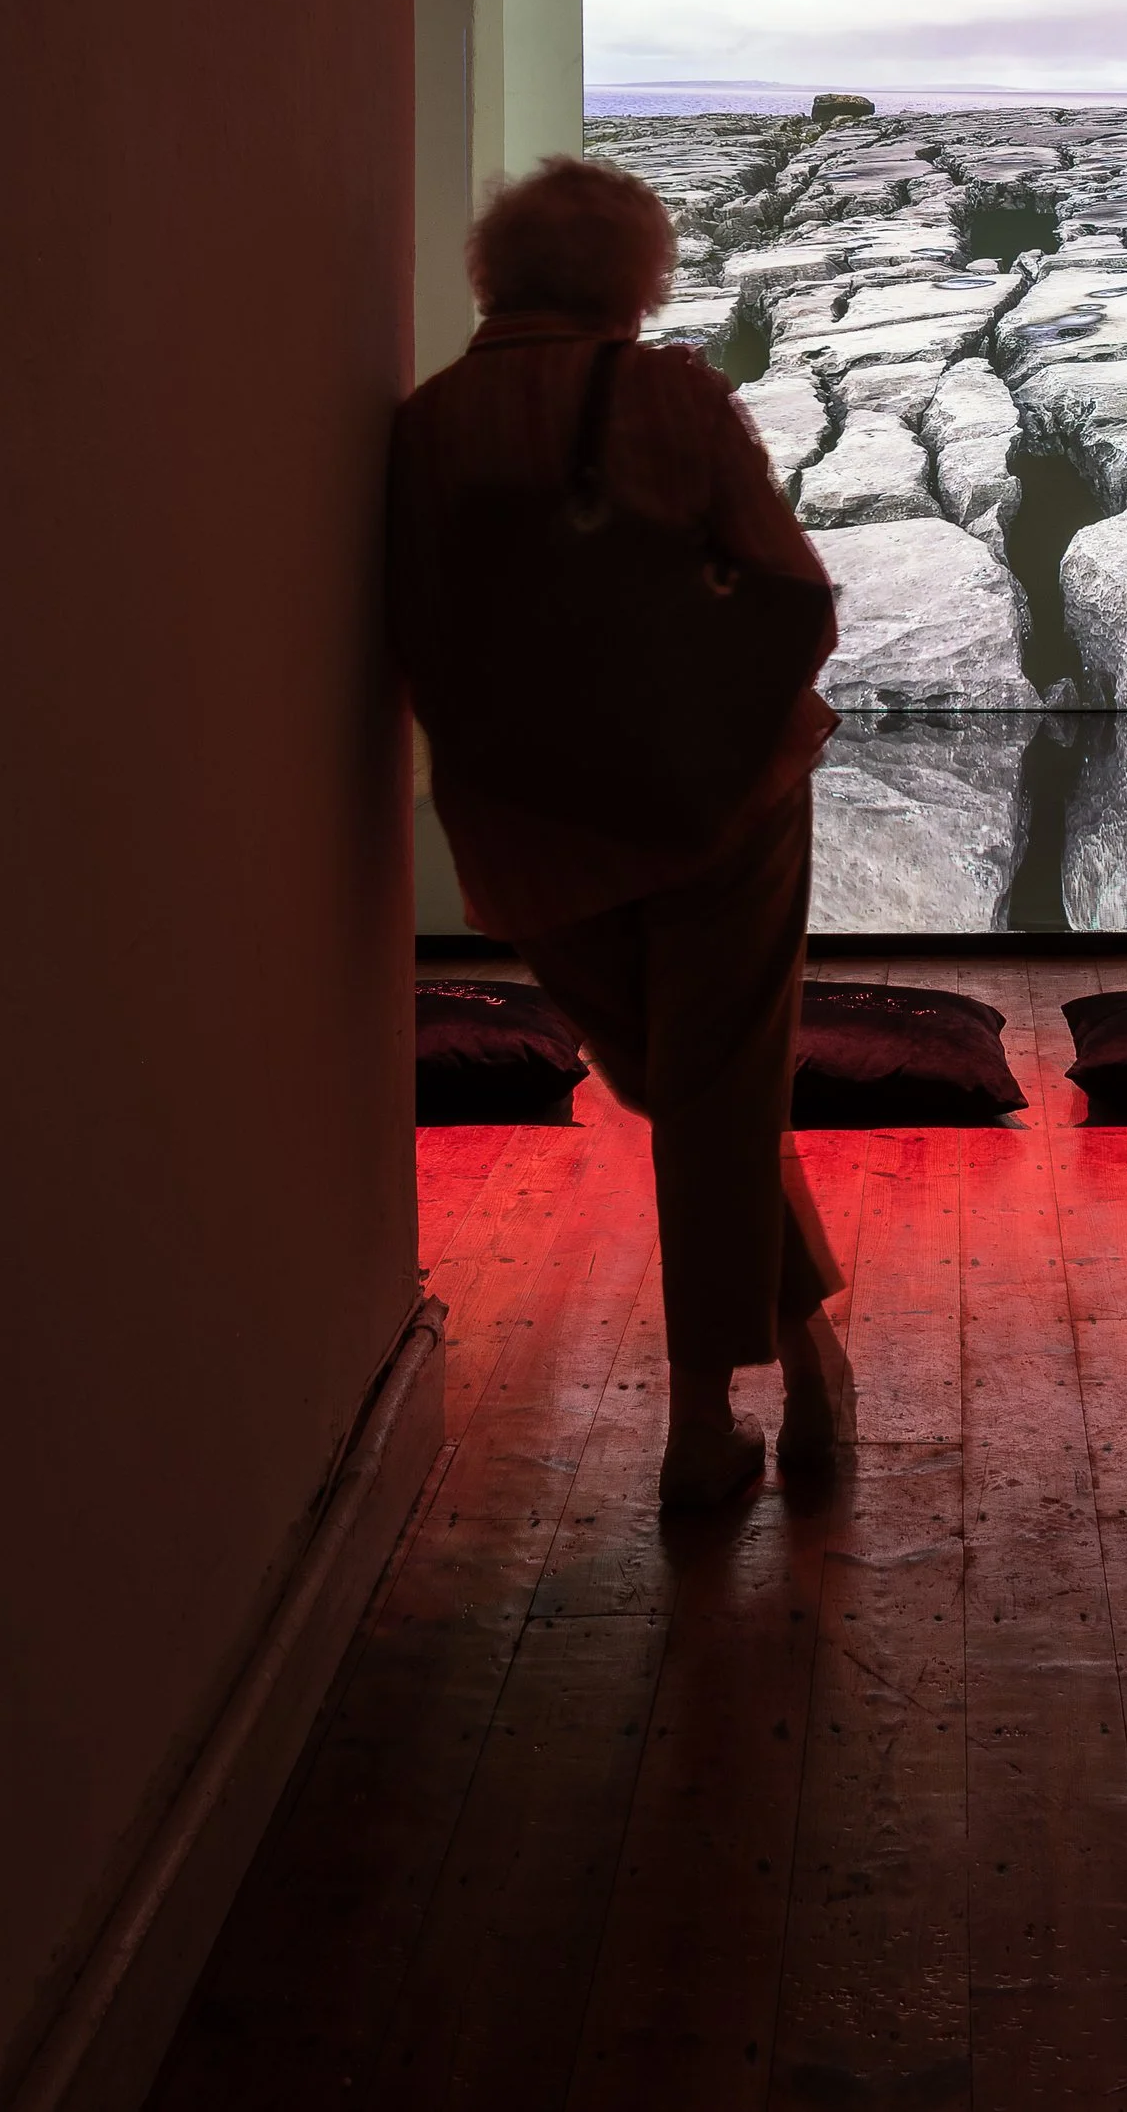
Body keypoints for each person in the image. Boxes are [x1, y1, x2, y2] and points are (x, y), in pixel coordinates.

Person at [388, 154, 850, 1510]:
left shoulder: (421, 430)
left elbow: (416, 633)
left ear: (492, 273)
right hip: (720, 809)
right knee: (719, 1096)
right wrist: (715, 742)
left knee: (680, 1090)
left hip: (532, 836)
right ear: (638, 282)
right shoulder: (671, 397)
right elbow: (791, 592)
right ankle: (717, 1415)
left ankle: (804, 1367)